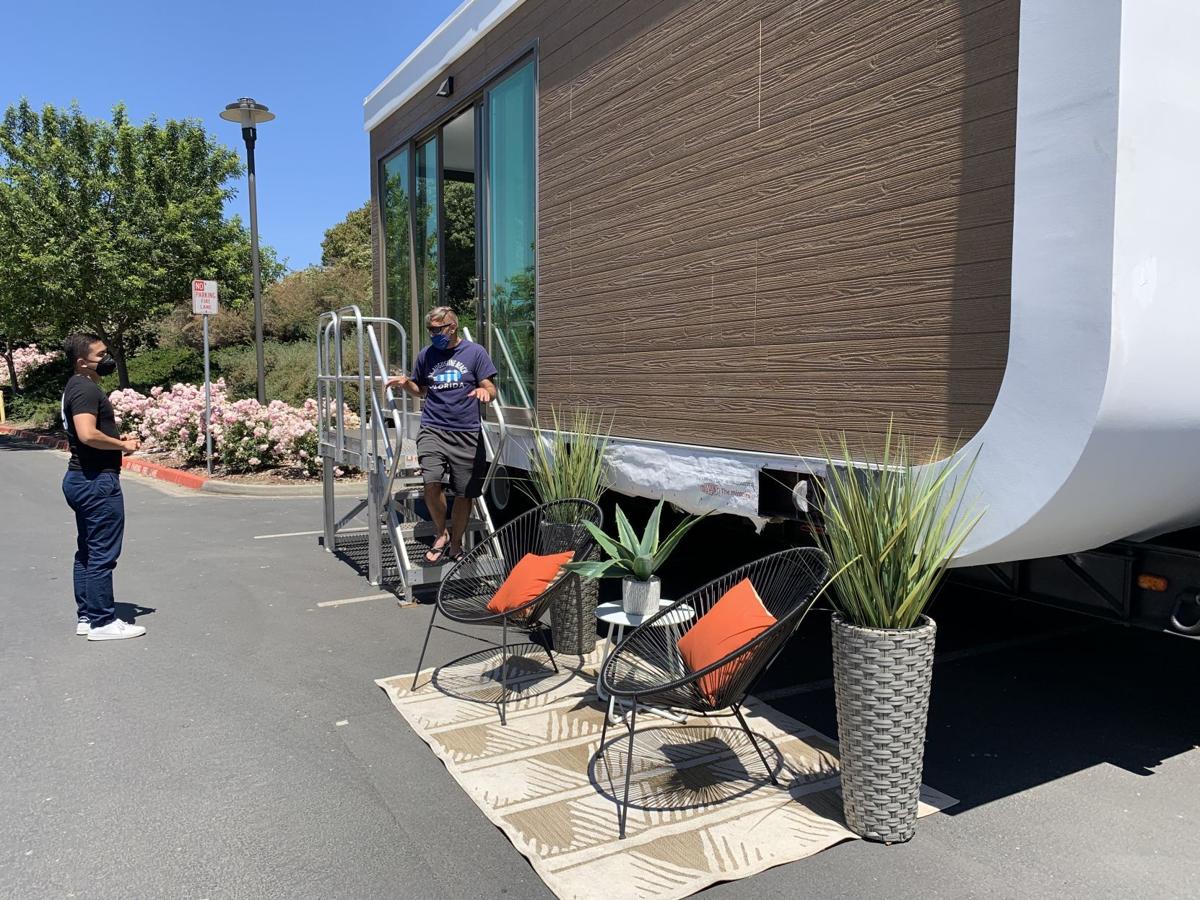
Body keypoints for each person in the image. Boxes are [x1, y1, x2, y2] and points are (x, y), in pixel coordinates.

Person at [387, 307, 498, 563]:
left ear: (452, 326)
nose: (433, 334)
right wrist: (406, 384)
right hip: (433, 428)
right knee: (431, 481)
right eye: (430, 330)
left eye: (438, 329)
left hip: (466, 432)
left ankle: (456, 544)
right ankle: (440, 534)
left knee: (464, 492)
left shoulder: (475, 353)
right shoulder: (426, 355)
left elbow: (490, 387)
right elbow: (421, 390)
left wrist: (486, 394)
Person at [60, 333, 145, 641]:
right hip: (96, 481)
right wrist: (121, 445)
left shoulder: (76, 385)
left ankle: (87, 616)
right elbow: (87, 434)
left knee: (87, 551)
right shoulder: (84, 389)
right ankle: (102, 622)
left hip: (82, 479)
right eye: (101, 354)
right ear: (82, 362)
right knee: (101, 554)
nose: (108, 359)